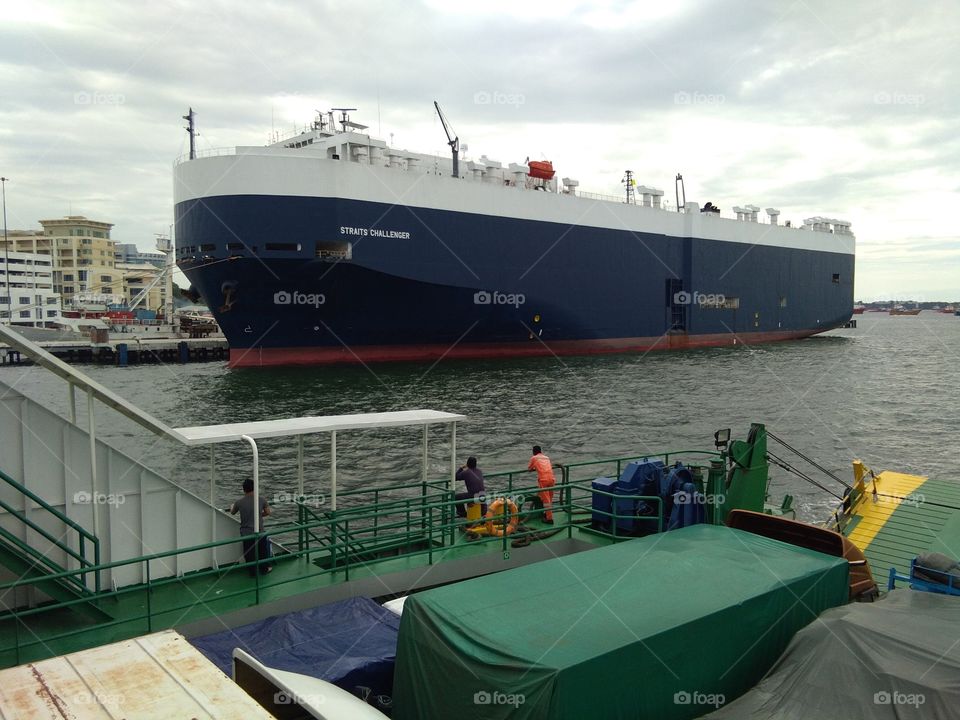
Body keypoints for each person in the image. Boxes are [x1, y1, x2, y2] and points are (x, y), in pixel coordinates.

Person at [228, 478, 273, 576]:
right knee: (263, 551)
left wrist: (232, 506)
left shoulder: (239, 502)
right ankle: (265, 569)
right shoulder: (261, 499)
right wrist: (259, 515)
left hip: (246, 533)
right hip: (259, 531)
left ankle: (253, 572)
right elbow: (268, 512)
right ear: (254, 488)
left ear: (244, 489)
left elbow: (232, 512)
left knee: (249, 553)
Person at [528, 445, 556, 524]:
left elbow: (529, 468)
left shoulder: (534, 458)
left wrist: (534, 468)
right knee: (550, 498)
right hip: (552, 479)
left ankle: (549, 519)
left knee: (546, 500)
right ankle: (547, 514)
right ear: (541, 451)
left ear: (533, 452)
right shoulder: (546, 458)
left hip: (543, 480)